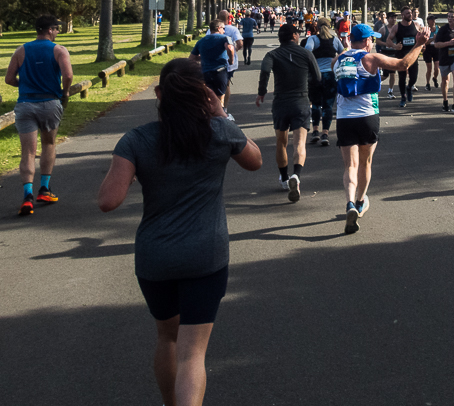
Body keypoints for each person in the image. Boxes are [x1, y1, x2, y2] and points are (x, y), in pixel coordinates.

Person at [98, 59, 262, 406]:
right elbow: (255, 160)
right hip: (207, 255)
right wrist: (222, 113)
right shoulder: (220, 131)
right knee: (193, 354)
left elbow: (108, 201)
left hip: (155, 258)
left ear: (159, 94)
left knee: (167, 338)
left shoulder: (136, 140)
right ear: (203, 94)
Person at [333, 22, 428, 233]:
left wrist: (345, 48)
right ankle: (359, 202)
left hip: (344, 118)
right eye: (372, 39)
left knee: (350, 165)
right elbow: (403, 64)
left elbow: (334, 74)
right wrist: (419, 45)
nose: (373, 42)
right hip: (367, 117)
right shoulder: (371, 58)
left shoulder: (339, 59)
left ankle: (349, 202)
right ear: (367, 41)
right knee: (365, 162)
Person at [4, 15, 73, 215]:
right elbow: (68, 75)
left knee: (27, 152)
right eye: (56, 29)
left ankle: (27, 196)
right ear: (50, 30)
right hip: (50, 103)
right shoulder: (59, 50)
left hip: (25, 104)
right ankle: (44, 188)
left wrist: (24, 85)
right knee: (49, 144)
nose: (58, 32)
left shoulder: (21, 50)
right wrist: (65, 92)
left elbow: (9, 79)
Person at [256, 21, 321, 201]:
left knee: (281, 142)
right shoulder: (306, 53)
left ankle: (284, 178)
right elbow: (317, 77)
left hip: (281, 102)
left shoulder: (272, 54)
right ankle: (296, 176)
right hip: (300, 100)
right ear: (294, 36)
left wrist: (261, 92)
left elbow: (264, 71)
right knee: (299, 143)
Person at [303, 19, 343, 146]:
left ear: (318, 27)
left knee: (315, 103)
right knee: (328, 106)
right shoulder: (335, 40)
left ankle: (315, 131)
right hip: (331, 76)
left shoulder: (313, 39)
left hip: (316, 75)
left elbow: (307, 51)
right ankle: (325, 134)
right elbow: (343, 52)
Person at [189, 21, 235, 117]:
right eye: (223, 28)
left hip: (205, 73)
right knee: (220, 98)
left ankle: (208, 117)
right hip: (220, 72)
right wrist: (231, 61)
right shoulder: (225, 38)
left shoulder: (201, 41)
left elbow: (192, 58)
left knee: (208, 97)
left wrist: (204, 57)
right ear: (218, 28)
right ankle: (221, 119)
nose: (224, 30)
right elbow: (230, 48)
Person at [433, 10, 454, 114]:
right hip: (444, 58)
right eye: (449, 17)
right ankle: (445, 101)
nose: (450, 19)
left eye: (452, 17)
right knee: (445, 81)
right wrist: (448, 43)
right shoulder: (443, 30)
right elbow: (436, 44)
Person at [386, 8, 421, 107]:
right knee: (402, 77)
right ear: (402, 15)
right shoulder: (397, 27)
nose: (410, 15)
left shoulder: (416, 25)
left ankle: (409, 87)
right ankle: (403, 97)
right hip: (401, 56)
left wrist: (422, 45)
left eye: (410, 13)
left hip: (413, 56)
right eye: (407, 13)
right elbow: (388, 40)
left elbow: (421, 38)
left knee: (413, 77)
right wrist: (394, 46)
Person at [217, 10, 244, 116]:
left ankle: (218, 107)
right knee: (226, 84)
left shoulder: (213, 29)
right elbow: (240, 43)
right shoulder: (233, 29)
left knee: (217, 84)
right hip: (230, 61)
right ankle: (224, 108)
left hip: (215, 61)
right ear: (229, 18)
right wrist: (235, 49)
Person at [422, 15, 440, 90]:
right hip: (428, 49)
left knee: (437, 68)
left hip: (436, 49)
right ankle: (427, 83)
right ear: (428, 21)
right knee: (429, 68)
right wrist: (433, 39)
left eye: (434, 20)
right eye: (432, 20)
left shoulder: (438, 28)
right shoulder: (426, 30)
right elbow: (425, 43)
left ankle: (435, 78)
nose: (434, 21)